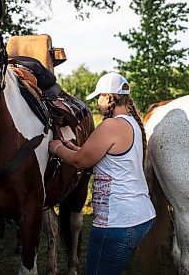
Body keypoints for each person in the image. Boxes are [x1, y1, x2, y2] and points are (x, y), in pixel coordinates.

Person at [48, 72, 156, 275]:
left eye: (99, 97)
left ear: (109, 97)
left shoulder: (111, 125)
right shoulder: (131, 122)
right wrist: (71, 146)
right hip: (139, 216)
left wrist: (56, 148)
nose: (97, 102)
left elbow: (81, 161)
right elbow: (95, 156)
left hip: (118, 223)